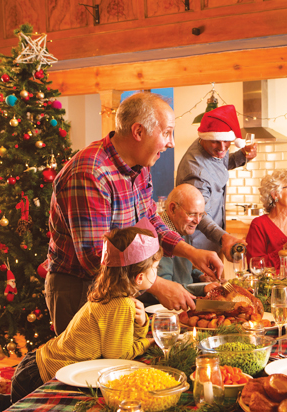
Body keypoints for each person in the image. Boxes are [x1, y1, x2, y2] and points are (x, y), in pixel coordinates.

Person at [0, 224, 163, 412]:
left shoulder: (109, 297)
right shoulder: (121, 305)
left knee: (19, 403)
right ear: (139, 277)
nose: (157, 271)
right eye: (155, 267)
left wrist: (140, 324)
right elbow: (118, 357)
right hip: (42, 376)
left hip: (36, 365)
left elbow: (117, 345)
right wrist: (148, 342)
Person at [46, 92, 223, 334]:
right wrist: (157, 285)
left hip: (119, 284)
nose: (171, 142)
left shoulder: (139, 167)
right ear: (138, 132)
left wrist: (191, 252)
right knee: (87, 368)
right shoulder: (90, 173)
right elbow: (95, 257)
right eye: (166, 132)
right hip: (81, 288)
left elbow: (151, 222)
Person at [176, 104, 257, 260]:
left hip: (213, 242)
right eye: (215, 142)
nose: (222, 148)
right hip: (197, 249)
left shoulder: (212, 143)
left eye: (226, 141)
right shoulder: (196, 171)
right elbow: (197, 216)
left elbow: (220, 163)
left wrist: (243, 156)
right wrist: (224, 237)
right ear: (203, 138)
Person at [140, 184, 220, 306]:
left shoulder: (182, 229)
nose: (197, 221)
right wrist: (202, 289)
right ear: (172, 209)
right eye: (192, 214)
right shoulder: (158, 240)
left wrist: (200, 277)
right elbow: (163, 291)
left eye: (201, 215)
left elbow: (181, 274)